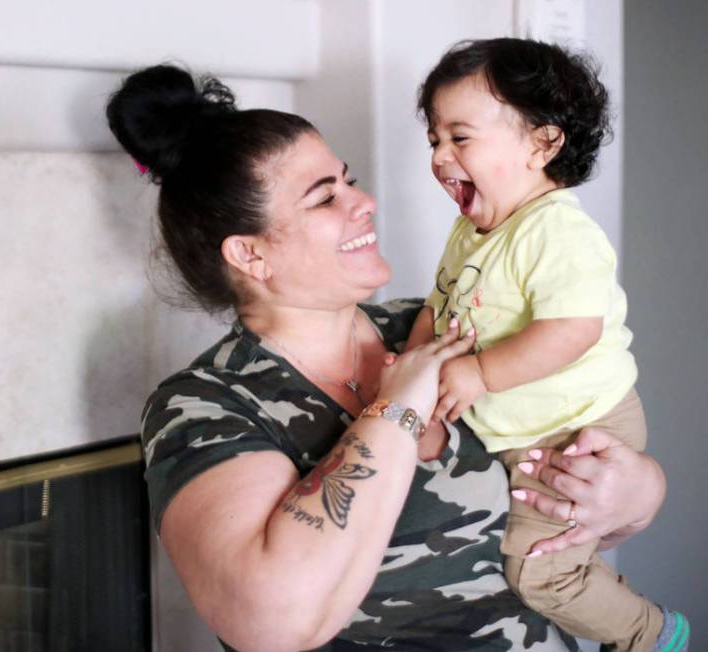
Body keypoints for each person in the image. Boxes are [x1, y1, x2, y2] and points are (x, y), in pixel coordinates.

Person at [107, 64, 667, 651]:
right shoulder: (206, 406)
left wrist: (639, 491)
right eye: (326, 198)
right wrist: (397, 410)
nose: (365, 202)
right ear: (250, 254)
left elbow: (572, 506)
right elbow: (269, 624)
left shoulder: (440, 320)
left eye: (349, 181)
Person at [410, 38, 688, 651]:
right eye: (434, 139)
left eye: (460, 137)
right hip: (528, 428)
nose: (439, 156)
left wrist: (478, 375)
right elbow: (438, 305)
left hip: (577, 427)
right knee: (559, 554)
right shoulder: (470, 231)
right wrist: (414, 363)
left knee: (540, 573)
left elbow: (572, 330)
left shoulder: (557, 229)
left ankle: (652, 636)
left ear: (543, 142)